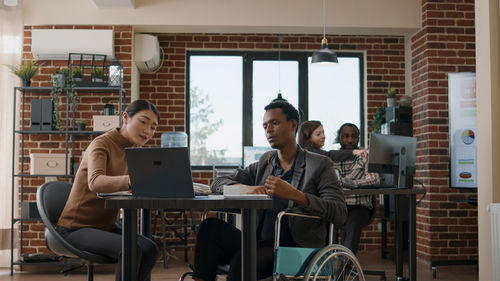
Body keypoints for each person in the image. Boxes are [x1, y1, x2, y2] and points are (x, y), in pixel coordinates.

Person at [192, 99, 347, 281]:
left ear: (293, 124)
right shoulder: (266, 162)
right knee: (209, 228)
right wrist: (245, 188)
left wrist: (295, 195)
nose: (268, 130)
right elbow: (217, 182)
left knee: (242, 263)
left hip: (296, 249)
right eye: (265, 125)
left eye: (274, 123)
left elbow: (340, 213)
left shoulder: (320, 164)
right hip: (260, 243)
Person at [56, 100, 160, 281]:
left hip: (106, 227)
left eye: (153, 127)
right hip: (75, 229)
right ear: (125, 117)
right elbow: (96, 182)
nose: (147, 131)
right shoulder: (102, 144)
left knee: (150, 249)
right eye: (143, 122)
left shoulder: (135, 150)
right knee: (131, 250)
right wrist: (132, 181)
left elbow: (135, 185)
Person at [333, 123, 380, 254]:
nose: (350, 140)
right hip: (338, 205)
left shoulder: (364, 154)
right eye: (345, 136)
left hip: (360, 206)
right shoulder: (333, 156)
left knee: (353, 220)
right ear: (339, 138)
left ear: (358, 138)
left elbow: (374, 179)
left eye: (354, 137)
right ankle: (326, 266)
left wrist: (350, 183)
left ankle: (344, 266)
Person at [297, 120, 367, 160]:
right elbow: (329, 155)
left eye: (323, 132)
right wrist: (354, 152)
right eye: (318, 134)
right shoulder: (307, 152)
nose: (323, 136)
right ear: (307, 138)